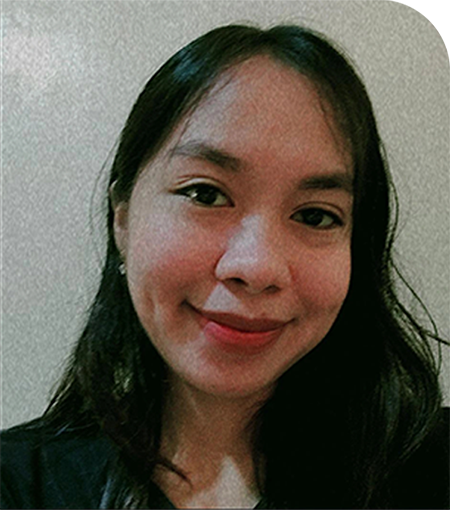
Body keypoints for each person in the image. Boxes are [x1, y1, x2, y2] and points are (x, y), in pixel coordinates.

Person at [1, 23, 449, 509]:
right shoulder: (20, 485)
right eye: (205, 194)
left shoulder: (427, 468)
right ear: (123, 220)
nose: (256, 267)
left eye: (315, 216)